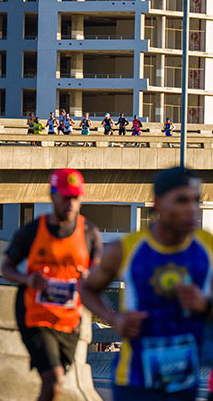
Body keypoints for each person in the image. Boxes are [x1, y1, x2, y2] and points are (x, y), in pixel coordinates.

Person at [79, 167, 211, 401]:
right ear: (158, 203)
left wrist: (204, 304)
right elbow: (86, 289)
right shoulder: (126, 249)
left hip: (184, 380)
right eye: (181, 200)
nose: (192, 208)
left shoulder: (207, 247)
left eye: (195, 200)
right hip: (134, 380)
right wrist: (115, 319)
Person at [0, 169, 102, 401]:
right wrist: (28, 279)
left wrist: (88, 278)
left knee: (56, 384)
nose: (71, 204)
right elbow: (6, 268)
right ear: (52, 196)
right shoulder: (33, 231)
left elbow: (98, 275)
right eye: (65, 197)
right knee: (54, 380)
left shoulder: (89, 233)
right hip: (35, 316)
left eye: (75, 198)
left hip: (70, 320)